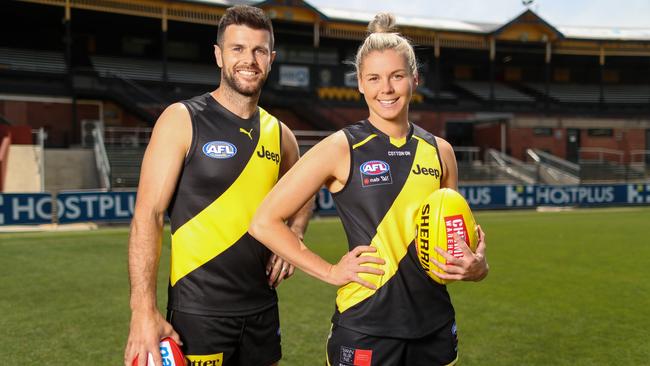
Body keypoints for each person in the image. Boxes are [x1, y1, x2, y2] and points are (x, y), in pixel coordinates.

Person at [249, 13, 489, 366]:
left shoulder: (441, 151)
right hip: (365, 326)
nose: (386, 89)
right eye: (374, 78)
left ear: (415, 79)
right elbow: (264, 221)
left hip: (435, 326)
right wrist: (330, 271)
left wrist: (477, 267)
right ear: (360, 83)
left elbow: (453, 240)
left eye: (396, 76)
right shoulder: (341, 147)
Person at [124, 5, 311, 366]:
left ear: (271, 59)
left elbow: (304, 191)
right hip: (198, 313)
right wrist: (142, 310)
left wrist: (296, 234)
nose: (249, 60)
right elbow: (148, 215)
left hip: (262, 309)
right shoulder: (182, 120)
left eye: (259, 51)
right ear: (218, 55)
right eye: (238, 49)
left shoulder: (281, 135)